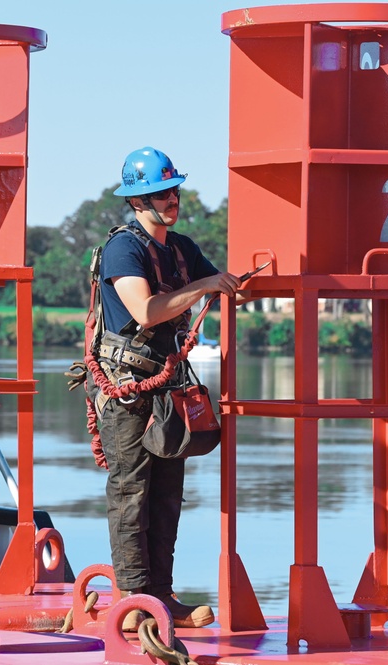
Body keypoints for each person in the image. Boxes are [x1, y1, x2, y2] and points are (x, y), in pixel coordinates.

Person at [92, 146, 240, 629]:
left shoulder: (181, 248)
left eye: (173, 189)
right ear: (137, 202)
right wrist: (206, 286)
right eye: (160, 192)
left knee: (167, 494)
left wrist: (237, 281)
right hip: (128, 389)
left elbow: (221, 283)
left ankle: (160, 594)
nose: (172, 198)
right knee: (131, 491)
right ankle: (132, 599)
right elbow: (147, 311)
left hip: (167, 389)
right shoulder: (123, 247)